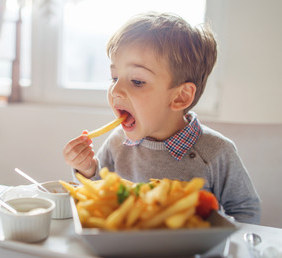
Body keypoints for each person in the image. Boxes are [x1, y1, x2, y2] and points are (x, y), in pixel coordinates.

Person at [63, 12, 261, 224]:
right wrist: (87, 169)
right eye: (114, 78)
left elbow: (245, 210)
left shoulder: (216, 152)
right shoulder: (117, 142)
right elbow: (100, 193)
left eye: (137, 81)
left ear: (180, 97)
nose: (116, 90)